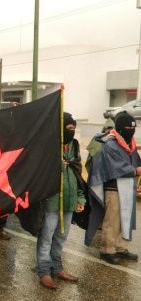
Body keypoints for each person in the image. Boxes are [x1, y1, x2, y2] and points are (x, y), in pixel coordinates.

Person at [37, 112, 85, 289]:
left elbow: (78, 173)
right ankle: (44, 271)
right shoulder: (49, 147)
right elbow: (39, 172)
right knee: (47, 237)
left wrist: (80, 198)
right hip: (52, 200)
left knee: (61, 237)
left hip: (69, 200)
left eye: (74, 128)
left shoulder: (75, 145)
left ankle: (57, 267)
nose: (72, 131)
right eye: (68, 128)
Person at [85, 112, 141, 264]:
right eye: (129, 127)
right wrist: (135, 170)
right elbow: (115, 167)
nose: (132, 130)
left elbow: (135, 161)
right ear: (121, 128)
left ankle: (121, 247)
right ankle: (107, 250)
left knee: (126, 219)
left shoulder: (130, 144)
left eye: (133, 127)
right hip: (113, 187)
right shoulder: (110, 144)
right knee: (113, 220)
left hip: (128, 187)